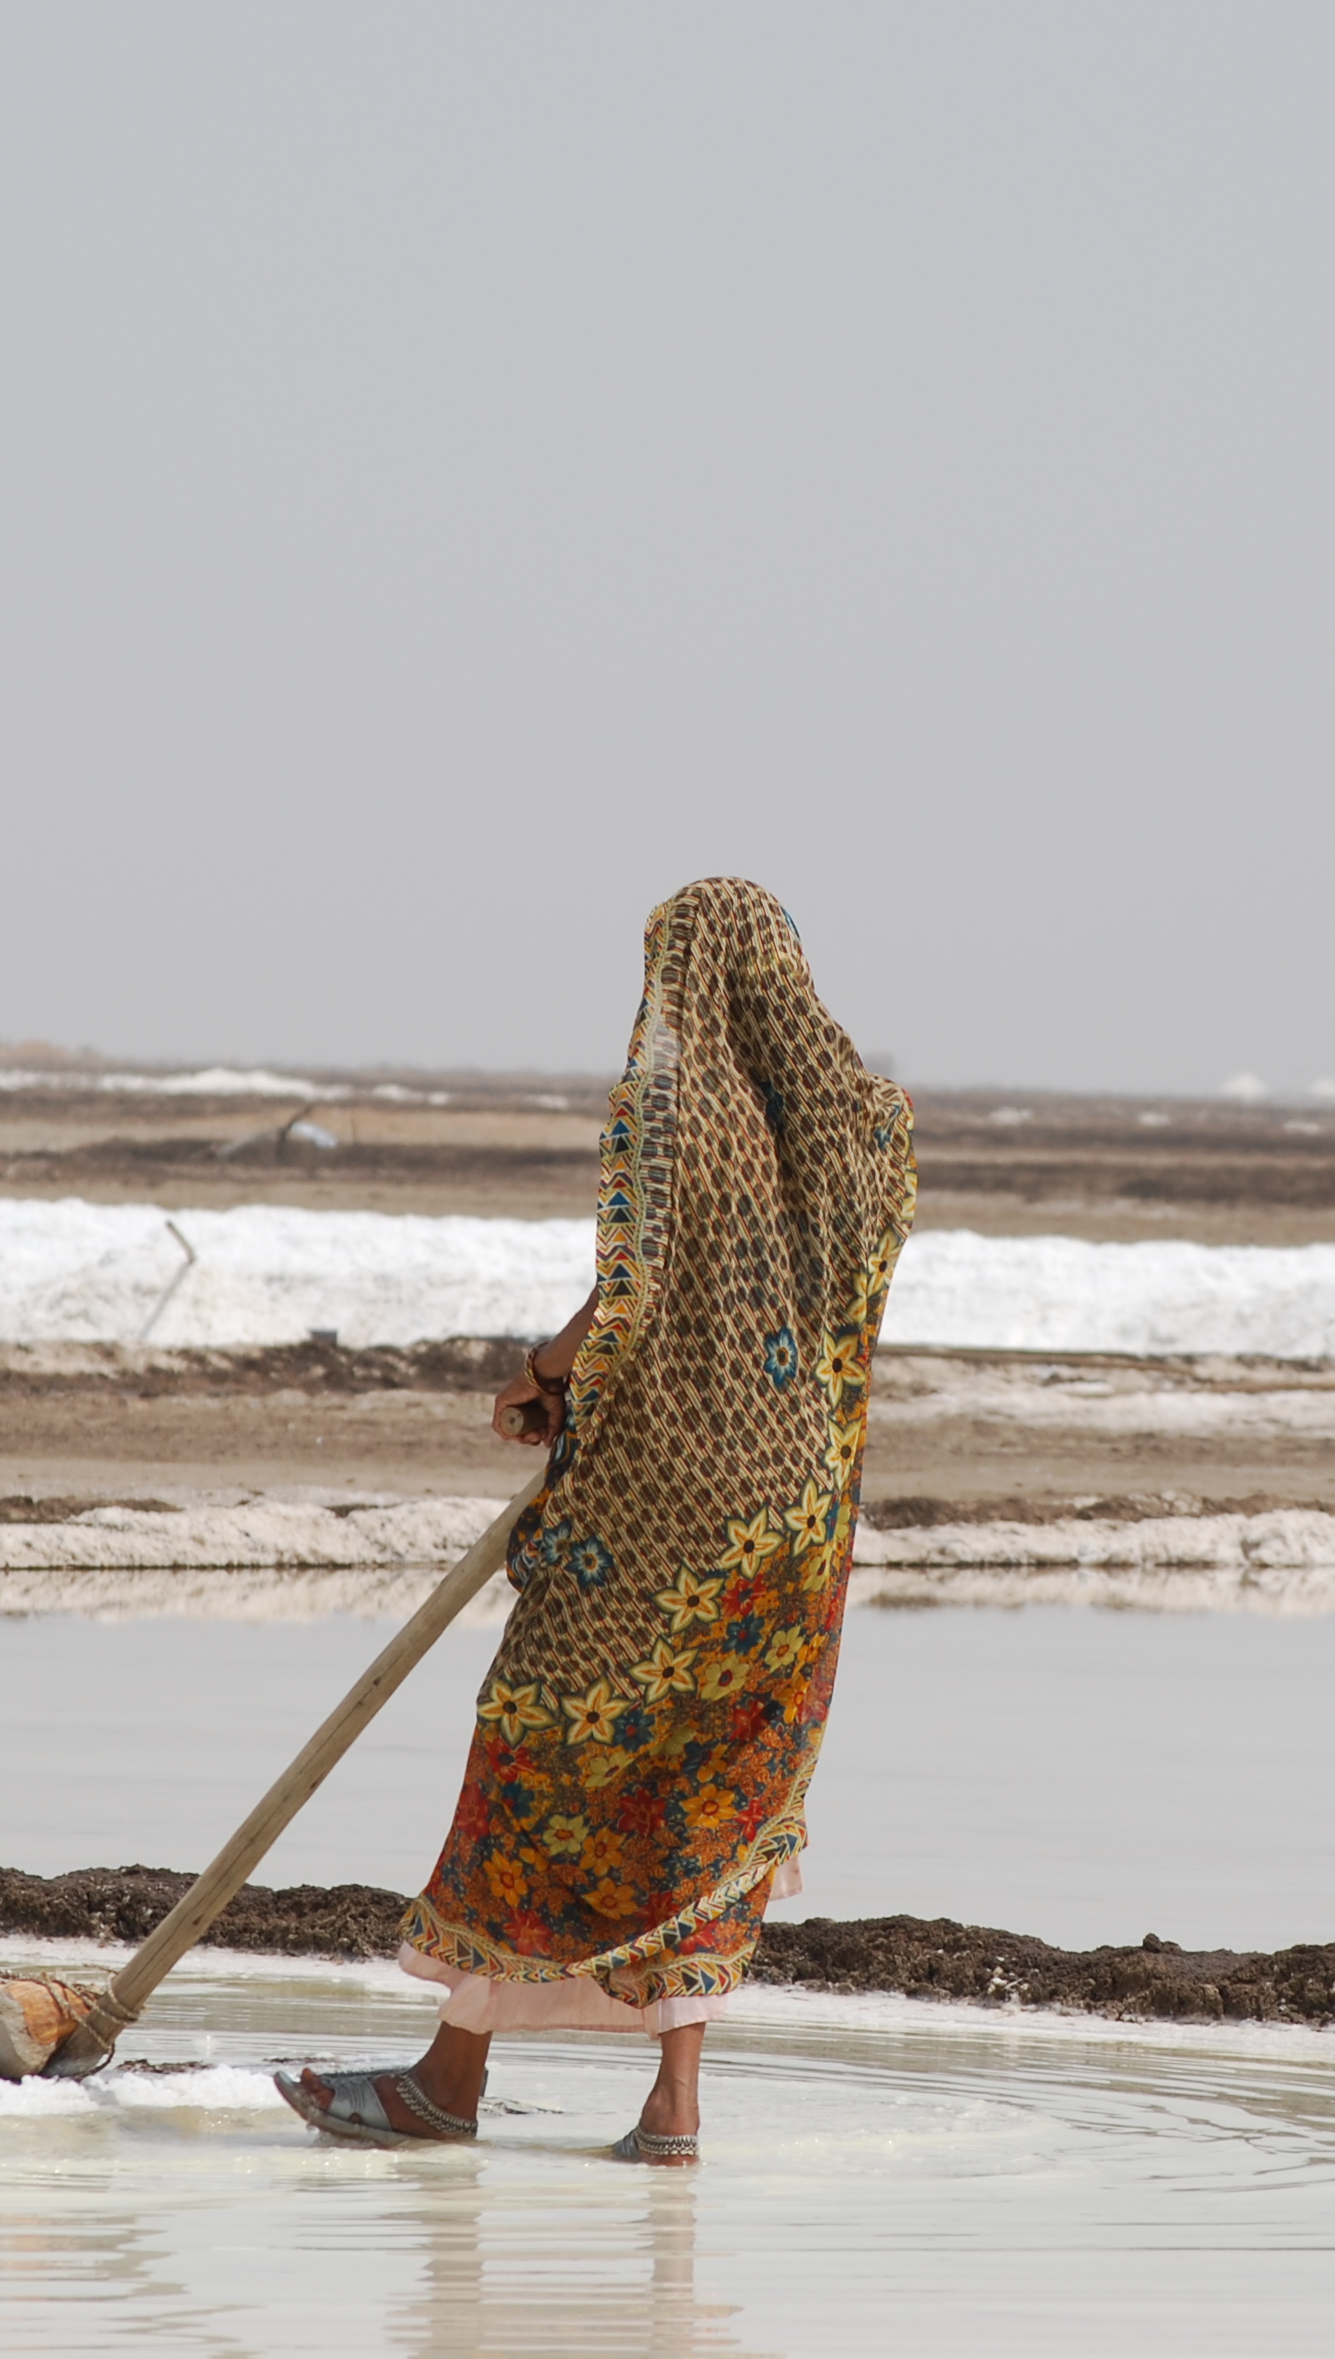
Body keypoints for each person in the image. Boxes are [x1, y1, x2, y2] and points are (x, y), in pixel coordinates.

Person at [278, 880, 915, 2166]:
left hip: (659, 1506)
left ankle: (446, 2083)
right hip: (791, 1523)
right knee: (707, 1795)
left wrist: (546, 1369)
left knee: (542, 1752)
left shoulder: (683, 1106)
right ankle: (671, 2113)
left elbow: (640, 1278)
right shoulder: (867, 1123)